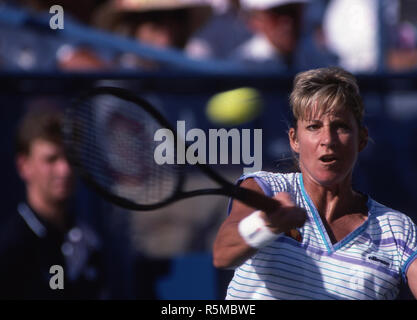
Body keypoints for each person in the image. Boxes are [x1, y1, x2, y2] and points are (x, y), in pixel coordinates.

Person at [213, 66, 417, 300]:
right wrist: (267, 224)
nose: (327, 140)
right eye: (313, 127)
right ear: (294, 140)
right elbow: (223, 253)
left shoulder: (397, 230)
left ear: (361, 139)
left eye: (340, 126)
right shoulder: (264, 188)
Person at [0, 103, 108, 299]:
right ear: (24, 166)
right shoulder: (11, 249)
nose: (64, 170)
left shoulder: (89, 240)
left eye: (71, 156)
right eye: (51, 159)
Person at [230, 0, 338, 72]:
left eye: (293, 12)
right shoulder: (243, 64)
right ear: (255, 20)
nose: (287, 22)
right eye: (277, 13)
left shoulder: (322, 61)